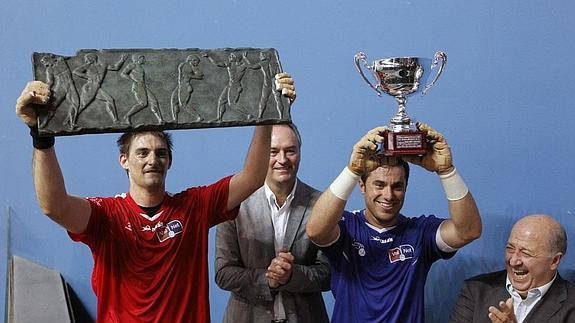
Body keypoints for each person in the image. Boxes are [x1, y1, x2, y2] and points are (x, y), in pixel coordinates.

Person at [14, 73, 295, 323]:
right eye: (142, 152)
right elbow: (53, 205)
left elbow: (253, 177)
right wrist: (41, 137)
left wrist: (267, 113)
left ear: (170, 161)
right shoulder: (106, 215)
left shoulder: (194, 207)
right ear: (123, 160)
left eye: (161, 153)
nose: (153, 160)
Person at [306, 124, 482, 323]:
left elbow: (469, 231)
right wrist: (353, 170)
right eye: (379, 185)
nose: (388, 195)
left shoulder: (420, 233)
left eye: (397, 186)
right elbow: (315, 231)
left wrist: (447, 171)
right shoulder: (347, 226)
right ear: (362, 186)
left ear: (406, 188)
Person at [215, 123, 330, 323]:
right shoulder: (234, 204)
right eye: (273, 152)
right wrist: (267, 279)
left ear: (300, 153)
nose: (282, 160)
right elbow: (223, 273)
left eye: (290, 151)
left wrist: (292, 275)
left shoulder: (322, 204)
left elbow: (329, 273)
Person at [449, 214, 575, 323]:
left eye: (526, 253)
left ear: (554, 261)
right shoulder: (476, 290)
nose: (513, 261)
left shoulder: (571, 306)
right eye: (510, 249)